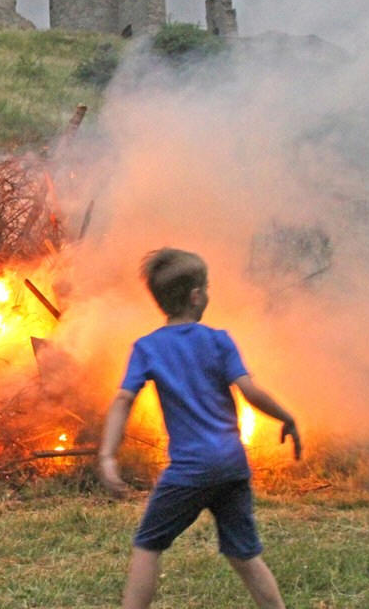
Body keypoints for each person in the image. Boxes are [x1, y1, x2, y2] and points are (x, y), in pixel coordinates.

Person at [98, 248, 302, 609]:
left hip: (190, 471)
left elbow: (122, 401)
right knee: (244, 555)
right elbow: (250, 390)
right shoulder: (219, 340)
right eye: (206, 288)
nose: (208, 293)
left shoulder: (147, 348)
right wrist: (287, 416)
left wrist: (107, 455)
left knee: (148, 544)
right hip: (232, 467)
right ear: (196, 296)